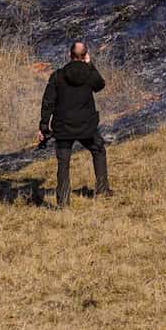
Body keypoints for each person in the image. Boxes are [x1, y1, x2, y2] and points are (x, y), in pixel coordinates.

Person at [39, 41, 112, 208]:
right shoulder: (89, 73)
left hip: (63, 127)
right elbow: (100, 85)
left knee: (63, 163)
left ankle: (63, 203)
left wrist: (44, 125)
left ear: (69, 55)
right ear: (85, 55)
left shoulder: (58, 76)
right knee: (98, 150)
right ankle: (102, 190)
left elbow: (48, 102)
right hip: (86, 126)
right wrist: (90, 64)